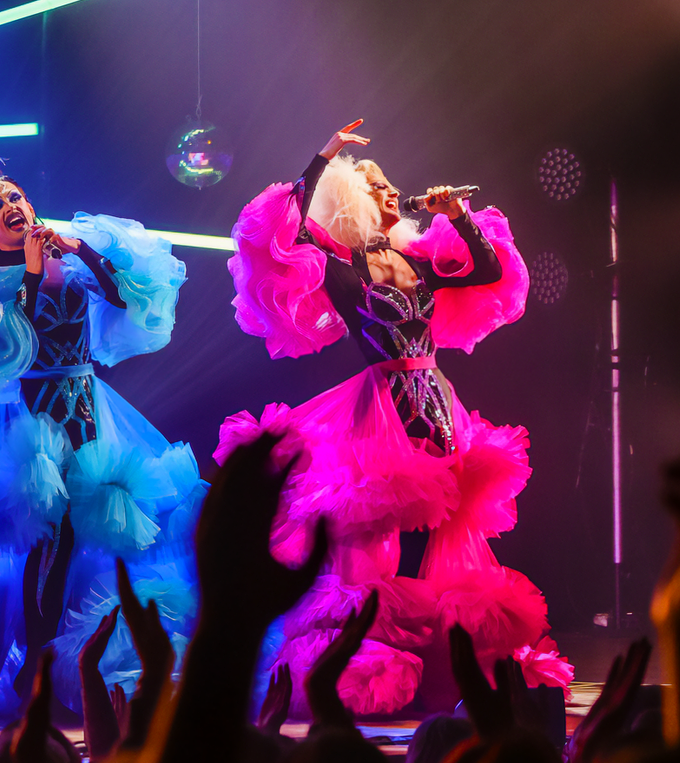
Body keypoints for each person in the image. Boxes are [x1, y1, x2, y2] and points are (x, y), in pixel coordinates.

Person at [220, 119, 567, 712]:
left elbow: (487, 271)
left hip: (436, 403)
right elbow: (284, 232)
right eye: (375, 185)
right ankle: (360, 667)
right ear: (352, 199)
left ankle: (459, 664)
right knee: (369, 546)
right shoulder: (342, 267)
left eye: (388, 185)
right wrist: (324, 157)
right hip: (380, 416)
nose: (389, 191)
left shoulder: (418, 264)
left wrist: (455, 215)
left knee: (455, 537)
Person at [0, 145, 206, 717]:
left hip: (90, 415)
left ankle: (85, 661)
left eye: (17, 195)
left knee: (92, 541)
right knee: (49, 539)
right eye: (0, 204)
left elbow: (124, 299)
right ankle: (39, 665)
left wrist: (84, 252)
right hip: (32, 430)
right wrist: (28, 267)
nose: (14, 205)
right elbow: (13, 341)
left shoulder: (66, 264)